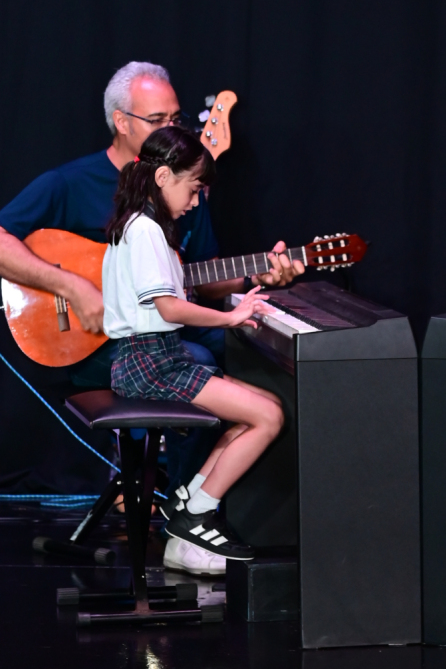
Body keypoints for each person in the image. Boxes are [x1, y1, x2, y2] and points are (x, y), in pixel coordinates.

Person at [0, 61, 303, 499]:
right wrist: (72, 286)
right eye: (157, 120)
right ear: (121, 122)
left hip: (161, 328)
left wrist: (256, 276)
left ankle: (229, 500)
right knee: (198, 357)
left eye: (176, 118)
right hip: (94, 343)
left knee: (252, 347)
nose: (172, 129)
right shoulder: (68, 183)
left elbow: (199, 277)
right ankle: (178, 500)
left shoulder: (183, 190)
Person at [103, 125, 284, 575]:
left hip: (157, 356)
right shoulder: (144, 229)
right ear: (163, 177)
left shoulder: (144, 227)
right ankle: (195, 515)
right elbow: (168, 307)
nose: (196, 201)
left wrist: (245, 292)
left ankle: (187, 506)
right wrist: (231, 318)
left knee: (266, 404)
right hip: (149, 362)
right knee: (267, 417)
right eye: (194, 189)